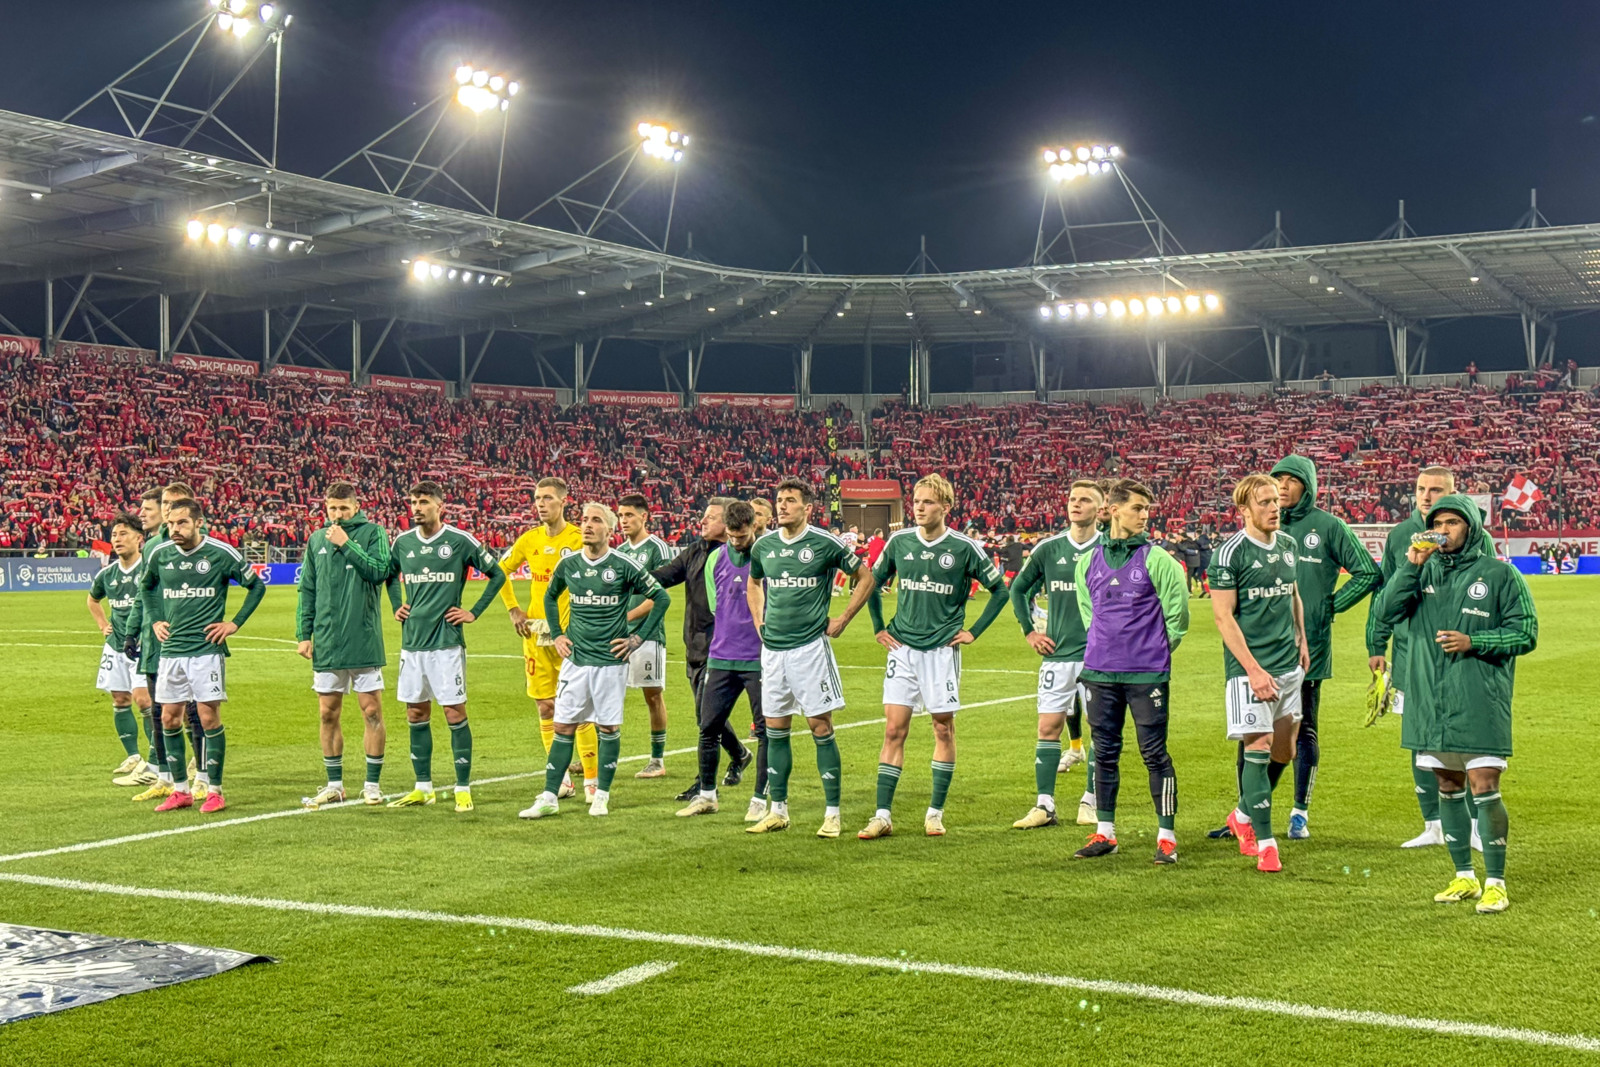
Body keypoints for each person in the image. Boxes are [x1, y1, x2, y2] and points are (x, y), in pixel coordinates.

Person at [1375, 495, 1537, 913]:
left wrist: (1475, 641)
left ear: (1471, 528)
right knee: (1448, 785)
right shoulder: (1422, 571)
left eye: (1452, 522)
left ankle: (1496, 882)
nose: (1443, 529)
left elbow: (1526, 634)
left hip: (1479, 697)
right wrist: (1410, 564)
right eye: (1438, 522)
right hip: (1431, 697)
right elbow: (1386, 611)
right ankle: (1464, 875)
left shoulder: (1500, 575)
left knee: (1484, 784)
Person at [1211, 456, 1380, 842]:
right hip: (1260, 653)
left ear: (1309, 484)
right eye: (1277, 482)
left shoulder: (1328, 526)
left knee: (1301, 734)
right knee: (1253, 737)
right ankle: (1248, 812)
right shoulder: (1262, 532)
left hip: (1307, 648)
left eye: (1292, 481)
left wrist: (1328, 607)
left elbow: (1369, 572)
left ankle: (1299, 811)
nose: (1282, 489)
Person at [858, 474, 1007, 839]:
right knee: (894, 729)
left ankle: (935, 813)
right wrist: (880, 625)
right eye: (917, 501)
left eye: (927, 502)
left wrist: (973, 631)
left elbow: (1000, 592)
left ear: (945, 507)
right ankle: (882, 815)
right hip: (902, 649)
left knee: (942, 727)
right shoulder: (899, 542)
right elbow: (871, 583)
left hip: (941, 651)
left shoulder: (964, 547)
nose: (919, 508)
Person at [1366, 466, 1493, 849]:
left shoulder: (1477, 538)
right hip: (1412, 654)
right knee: (1420, 736)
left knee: (1463, 736)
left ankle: (1469, 822)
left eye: (1435, 490)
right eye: (1421, 489)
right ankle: (1433, 824)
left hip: (1458, 655)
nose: (1426, 496)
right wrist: (1377, 644)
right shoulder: (1402, 536)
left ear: (1454, 494)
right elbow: (1385, 595)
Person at [519, 503, 671, 819]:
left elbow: (662, 598)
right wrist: (558, 634)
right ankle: (549, 796)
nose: (587, 525)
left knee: (607, 727)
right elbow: (549, 596)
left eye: (596, 520)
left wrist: (637, 638)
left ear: (610, 530)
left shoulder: (624, 565)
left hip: (610, 663)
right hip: (575, 660)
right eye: (585, 520)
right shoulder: (569, 564)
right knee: (563, 725)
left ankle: (601, 795)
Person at [745, 478, 876, 838]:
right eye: (779, 500)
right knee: (775, 729)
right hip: (772, 651)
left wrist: (844, 618)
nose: (782, 506)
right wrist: (758, 619)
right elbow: (753, 583)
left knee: (820, 727)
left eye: (790, 500)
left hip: (809, 650)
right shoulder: (764, 547)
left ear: (808, 508)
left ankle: (832, 813)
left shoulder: (824, 543)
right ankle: (778, 811)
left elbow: (865, 576)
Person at [1071, 479, 1190, 863]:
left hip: (1146, 674)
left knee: (1154, 754)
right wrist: (1104, 649)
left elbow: (1178, 618)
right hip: (1100, 673)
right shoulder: (1087, 561)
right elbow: (1090, 614)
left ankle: (1167, 837)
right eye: (1138, 508)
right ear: (1113, 509)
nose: (1144, 516)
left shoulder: (1160, 561)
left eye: (1147, 510)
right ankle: (1105, 832)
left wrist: (1150, 652)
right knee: (1104, 752)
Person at [137, 497, 266, 814]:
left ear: (198, 522)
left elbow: (256, 586)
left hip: (206, 650)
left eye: (181, 522)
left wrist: (234, 623)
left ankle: (215, 790)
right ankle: (180, 790)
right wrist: (155, 618)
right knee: (169, 718)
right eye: (170, 523)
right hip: (171, 651)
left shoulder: (220, 553)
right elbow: (146, 586)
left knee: (208, 718)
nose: (175, 529)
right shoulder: (160, 554)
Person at [385, 482, 506, 814]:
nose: (417, 507)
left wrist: (473, 612)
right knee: (415, 712)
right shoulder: (403, 542)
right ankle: (423, 787)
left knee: (454, 712)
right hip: (413, 643)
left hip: (446, 643)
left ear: (440, 506)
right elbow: (390, 575)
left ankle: (462, 787)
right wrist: (398, 603)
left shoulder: (459, 541)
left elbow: (497, 574)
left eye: (423, 501)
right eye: (413, 501)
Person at [1210, 475, 1311, 873]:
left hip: (1289, 666)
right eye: (1265, 502)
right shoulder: (1229, 553)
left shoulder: (1287, 546)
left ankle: (1242, 813)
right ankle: (1266, 844)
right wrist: (1253, 670)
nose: (1275, 508)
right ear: (1244, 511)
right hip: (1249, 671)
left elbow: (1293, 593)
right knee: (1258, 746)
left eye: (1276, 502)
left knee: (1284, 750)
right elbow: (1223, 616)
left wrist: (1302, 638)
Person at [1009, 480, 1103, 830]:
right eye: (1072, 499)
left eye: (1084, 500)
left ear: (1101, 509)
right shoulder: (1049, 549)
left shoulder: (1109, 548)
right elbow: (1019, 588)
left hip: (1099, 658)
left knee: (1100, 731)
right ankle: (1044, 805)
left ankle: (1090, 802)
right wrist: (1029, 631)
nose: (1076, 505)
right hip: (1058, 655)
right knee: (1048, 728)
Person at [498, 478, 597, 801]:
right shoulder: (529, 539)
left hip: (573, 636)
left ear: (564, 502)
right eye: (537, 498)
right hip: (537, 633)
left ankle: (592, 781)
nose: (541, 504)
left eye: (548, 498)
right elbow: (501, 571)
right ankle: (563, 778)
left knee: (578, 709)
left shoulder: (579, 538)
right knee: (545, 707)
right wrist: (514, 609)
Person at [296, 483, 392, 809]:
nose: (337, 515)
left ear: (356, 506)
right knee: (327, 713)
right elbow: (307, 589)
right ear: (325, 507)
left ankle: (372, 785)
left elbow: (380, 571)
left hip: (362, 638)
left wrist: (347, 543)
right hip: (326, 640)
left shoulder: (373, 533)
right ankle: (335, 785)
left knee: (372, 711)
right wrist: (303, 634)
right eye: (332, 509)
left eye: (344, 509)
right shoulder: (315, 540)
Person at [653, 498, 752, 801]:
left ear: (728, 522)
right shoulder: (695, 551)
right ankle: (740, 754)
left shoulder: (743, 556)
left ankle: (704, 783)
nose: (703, 522)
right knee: (708, 718)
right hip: (694, 645)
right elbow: (665, 575)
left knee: (705, 719)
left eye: (710, 518)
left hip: (720, 648)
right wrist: (626, 579)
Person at [676, 501, 769, 821]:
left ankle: (759, 800)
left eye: (741, 537)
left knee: (767, 732)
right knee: (708, 727)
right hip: (721, 657)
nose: (735, 541)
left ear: (753, 527)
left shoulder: (767, 555)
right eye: (731, 536)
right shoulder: (715, 557)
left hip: (758, 659)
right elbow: (717, 607)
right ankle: (706, 795)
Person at [87, 513, 157, 787]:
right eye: (114, 535)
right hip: (115, 645)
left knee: (144, 700)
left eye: (123, 533)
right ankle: (133, 756)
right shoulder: (108, 574)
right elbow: (92, 600)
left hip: (142, 645)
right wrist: (103, 624)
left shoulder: (149, 569)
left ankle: (156, 762)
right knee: (119, 699)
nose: (117, 539)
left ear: (139, 539)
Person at [615, 494, 675, 778]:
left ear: (644, 517)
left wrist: (626, 616)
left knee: (652, 695)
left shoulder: (658, 548)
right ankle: (594, 757)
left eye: (629, 515)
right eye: (621, 516)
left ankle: (657, 760)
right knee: (604, 692)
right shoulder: (619, 550)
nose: (623, 521)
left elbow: (659, 595)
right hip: (616, 635)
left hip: (648, 633)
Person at [125, 488, 173, 800]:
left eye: (148, 509)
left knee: (192, 711)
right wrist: (132, 631)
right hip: (153, 640)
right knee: (159, 710)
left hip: (177, 639)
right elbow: (144, 595)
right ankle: (163, 773)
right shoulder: (153, 546)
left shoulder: (178, 545)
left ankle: (198, 772)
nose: (141, 514)